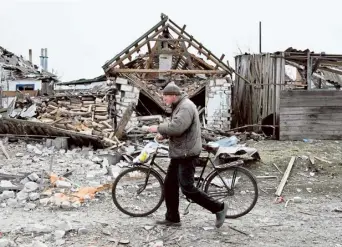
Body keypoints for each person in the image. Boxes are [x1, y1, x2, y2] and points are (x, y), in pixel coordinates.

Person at [147, 81, 228, 228]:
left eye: (165, 96)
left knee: (187, 188)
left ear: (173, 95)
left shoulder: (185, 106)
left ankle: (219, 208)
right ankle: (172, 218)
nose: (163, 99)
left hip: (187, 153)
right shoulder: (179, 106)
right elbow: (179, 128)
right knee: (170, 185)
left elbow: (177, 128)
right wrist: (164, 135)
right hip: (180, 152)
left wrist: (158, 128)